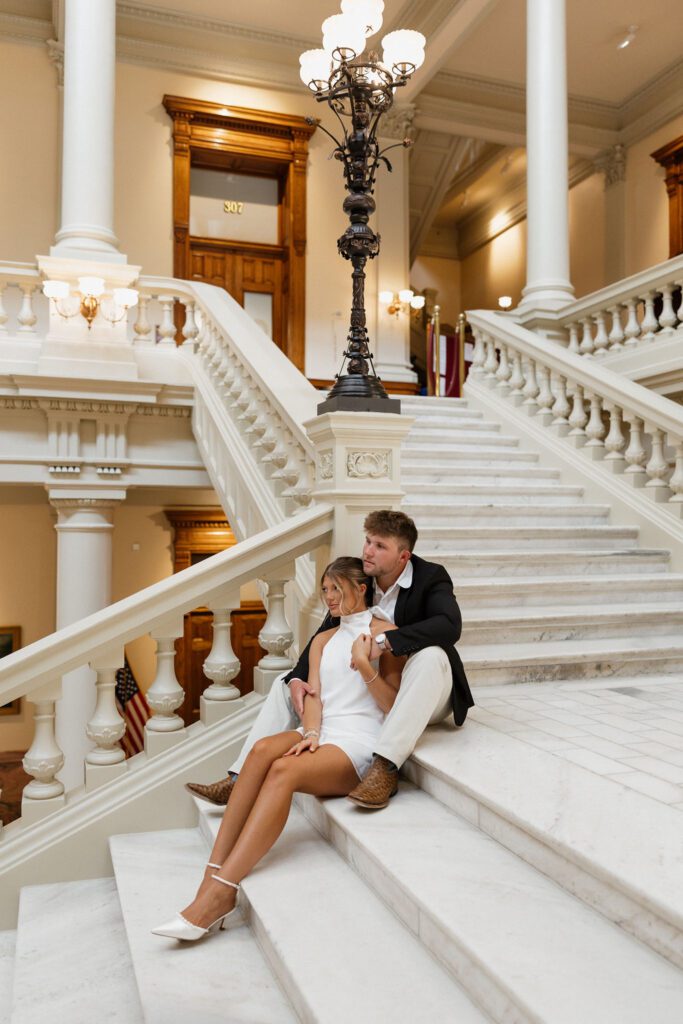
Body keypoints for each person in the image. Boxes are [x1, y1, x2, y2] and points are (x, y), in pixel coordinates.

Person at [153, 557, 406, 941]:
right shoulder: (323, 639)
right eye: (325, 590)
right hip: (328, 731)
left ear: (361, 588)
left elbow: (392, 705)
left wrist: (365, 665)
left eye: (337, 588)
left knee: (282, 771)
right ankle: (211, 877)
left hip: (361, 741)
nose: (330, 597)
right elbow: (316, 696)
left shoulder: (387, 633)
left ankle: (222, 892)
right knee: (261, 751)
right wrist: (310, 733)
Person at [186, 509, 473, 810]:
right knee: (285, 685)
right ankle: (238, 779)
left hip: (427, 692)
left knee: (431, 655)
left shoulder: (430, 577)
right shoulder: (360, 578)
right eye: (368, 541)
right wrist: (298, 677)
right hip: (374, 694)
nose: (368, 551)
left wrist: (385, 642)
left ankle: (386, 766)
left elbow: (449, 625)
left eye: (380, 546)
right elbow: (326, 635)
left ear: (403, 557)